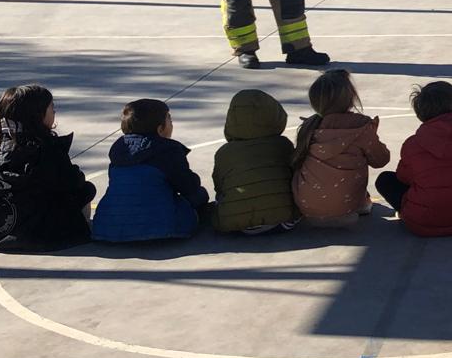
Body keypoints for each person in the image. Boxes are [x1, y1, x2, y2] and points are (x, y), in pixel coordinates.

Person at [0, 85, 96, 251]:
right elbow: (70, 182)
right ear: (37, 115)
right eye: (51, 107)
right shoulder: (48, 151)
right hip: (34, 232)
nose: (54, 111)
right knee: (85, 190)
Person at [380, 81, 452, 237]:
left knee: (385, 180)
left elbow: (404, 177)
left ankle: (407, 211)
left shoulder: (412, 144)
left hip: (422, 222)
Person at [91, 99, 210, 242]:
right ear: (160, 129)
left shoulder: (119, 150)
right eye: (169, 119)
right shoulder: (168, 150)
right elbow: (188, 186)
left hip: (107, 228)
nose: (172, 124)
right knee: (199, 195)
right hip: (162, 228)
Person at [291, 69, 389, 225]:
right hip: (347, 206)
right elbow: (381, 160)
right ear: (351, 99)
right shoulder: (361, 127)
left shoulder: (309, 127)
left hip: (306, 205)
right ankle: (353, 203)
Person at [213, 89, 298, 235]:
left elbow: (219, 186)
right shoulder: (283, 145)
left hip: (236, 223)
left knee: (219, 200)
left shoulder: (224, 152)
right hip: (283, 219)